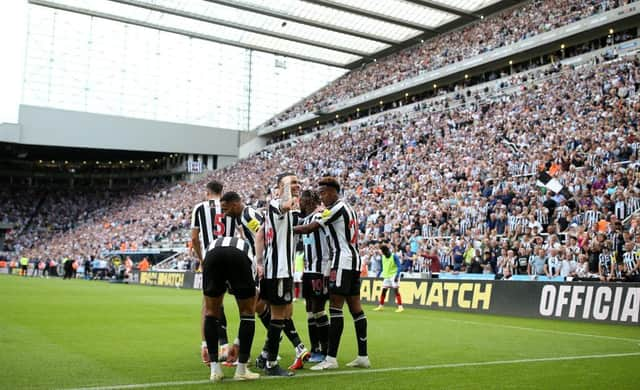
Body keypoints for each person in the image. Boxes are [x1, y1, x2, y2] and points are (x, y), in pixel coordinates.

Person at [295, 176, 370, 370]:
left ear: (333, 192)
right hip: (354, 262)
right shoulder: (349, 208)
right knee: (356, 309)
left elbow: (310, 227)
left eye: (323, 193)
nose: (321, 197)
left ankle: (331, 358)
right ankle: (363, 355)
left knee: (335, 309)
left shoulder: (336, 208)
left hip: (341, 262)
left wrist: (284, 229)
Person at [255, 173, 309, 376]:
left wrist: (259, 261)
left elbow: (260, 233)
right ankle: (270, 364)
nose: (297, 185)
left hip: (280, 270)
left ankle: (265, 355)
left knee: (286, 313)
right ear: (279, 188)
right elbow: (286, 205)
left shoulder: (280, 210)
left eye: (297, 182)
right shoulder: (277, 204)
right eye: (292, 182)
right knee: (278, 316)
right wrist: (288, 191)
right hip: (278, 270)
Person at [202, 236, 260, 382]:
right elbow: (254, 302)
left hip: (211, 253)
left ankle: (215, 371)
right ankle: (241, 370)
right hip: (239, 255)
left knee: (210, 312)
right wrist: (238, 343)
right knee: (247, 313)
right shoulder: (250, 251)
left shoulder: (214, 244)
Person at [191, 180, 236, 367]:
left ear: (207, 192)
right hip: (233, 256)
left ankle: (212, 347)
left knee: (209, 303)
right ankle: (236, 347)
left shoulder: (200, 208)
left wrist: (202, 259)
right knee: (245, 304)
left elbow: (194, 238)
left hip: (212, 257)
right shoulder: (231, 206)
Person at [298, 190, 331, 363]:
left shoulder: (321, 214)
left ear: (308, 201)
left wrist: (287, 230)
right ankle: (315, 348)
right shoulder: (306, 217)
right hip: (309, 270)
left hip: (321, 269)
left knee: (318, 310)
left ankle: (326, 350)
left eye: (301, 201)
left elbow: (309, 229)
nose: (299, 205)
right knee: (310, 310)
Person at [373, 244, 404, 312]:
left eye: (381, 251)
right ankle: (381, 306)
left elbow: (399, 266)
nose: (380, 252)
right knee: (384, 290)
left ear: (384, 251)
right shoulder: (383, 257)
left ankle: (400, 307)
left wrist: (397, 275)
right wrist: (378, 275)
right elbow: (382, 267)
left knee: (396, 290)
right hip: (386, 276)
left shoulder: (394, 256)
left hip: (394, 275)